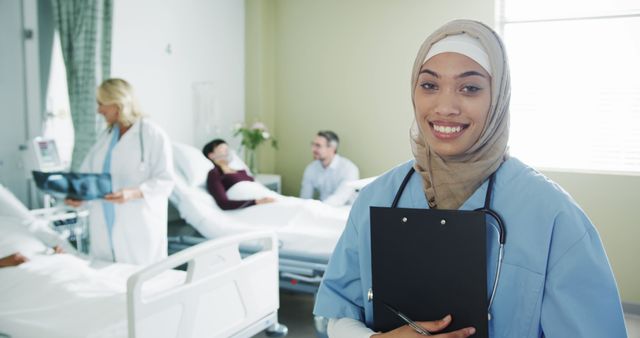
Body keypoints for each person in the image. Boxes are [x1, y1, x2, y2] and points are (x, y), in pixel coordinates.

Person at [313, 20, 627, 337]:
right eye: (429, 85)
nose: (445, 107)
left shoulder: (553, 215)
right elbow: (338, 314)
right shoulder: (376, 197)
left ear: (498, 98)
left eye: (470, 88)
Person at [66, 78, 175, 265]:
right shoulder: (105, 138)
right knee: (110, 282)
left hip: (138, 224)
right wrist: (79, 196)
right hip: (104, 224)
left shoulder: (151, 134)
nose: (98, 110)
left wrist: (134, 193)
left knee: (144, 282)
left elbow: (165, 180)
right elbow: (88, 177)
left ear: (117, 103)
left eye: (102, 104)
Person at [202, 139, 275, 210]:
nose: (227, 150)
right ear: (211, 155)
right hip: (256, 206)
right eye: (222, 148)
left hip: (269, 199)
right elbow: (223, 203)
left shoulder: (240, 171)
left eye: (227, 148)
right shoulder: (214, 173)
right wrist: (256, 202)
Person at [300, 130, 359, 203]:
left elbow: (339, 199)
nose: (313, 149)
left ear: (332, 148)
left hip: (344, 211)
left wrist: (318, 209)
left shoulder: (349, 169)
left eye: (318, 145)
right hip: (322, 210)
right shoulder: (311, 168)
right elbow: (304, 198)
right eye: (313, 144)